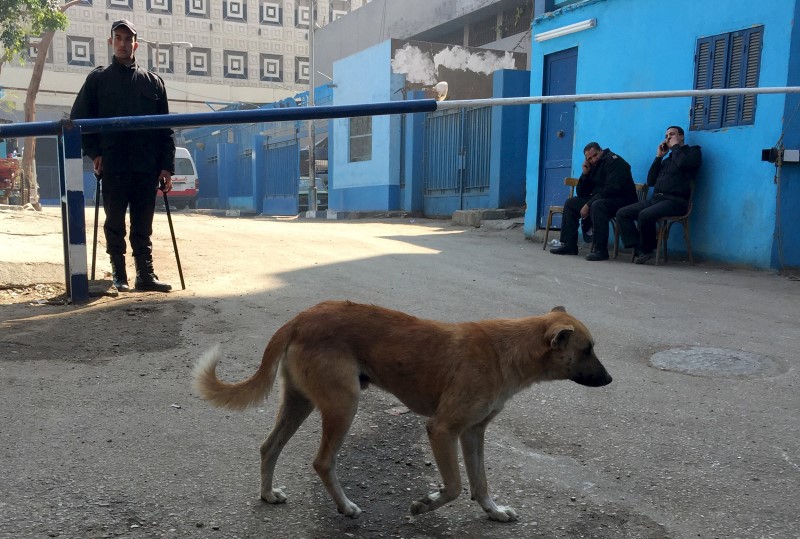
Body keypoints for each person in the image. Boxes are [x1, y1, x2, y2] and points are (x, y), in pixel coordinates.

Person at [70, 19, 174, 292]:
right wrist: (94, 153)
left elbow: (165, 128)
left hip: (146, 165)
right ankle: (119, 273)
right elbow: (79, 120)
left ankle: (145, 275)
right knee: (114, 220)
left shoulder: (153, 83)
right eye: (118, 38)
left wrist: (166, 167)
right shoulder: (98, 80)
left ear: (135, 45)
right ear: (111, 42)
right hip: (113, 164)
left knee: (143, 223)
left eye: (128, 39)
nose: (123, 43)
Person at [616, 126, 702, 265]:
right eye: (666, 135)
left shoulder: (693, 152)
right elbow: (650, 181)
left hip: (676, 202)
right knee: (622, 213)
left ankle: (647, 249)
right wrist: (658, 157)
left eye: (672, 135)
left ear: (681, 137)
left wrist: (675, 147)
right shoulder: (667, 160)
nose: (668, 138)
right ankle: (639, 249)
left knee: (645, 214)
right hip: (657, 200)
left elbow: (682, 163)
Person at [550, 142, 637, 261]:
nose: (593, 159)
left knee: (597, 206)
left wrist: (588, 204)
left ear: (601, 150)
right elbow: (581, 193)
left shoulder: (614, 161)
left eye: (595, 155)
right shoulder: (593, 166)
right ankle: (569, 245)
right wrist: (585, 174)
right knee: (571, 203)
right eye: (589, 158)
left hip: (622, 200)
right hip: (603, 199)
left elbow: (611, 189)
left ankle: (600, 250)